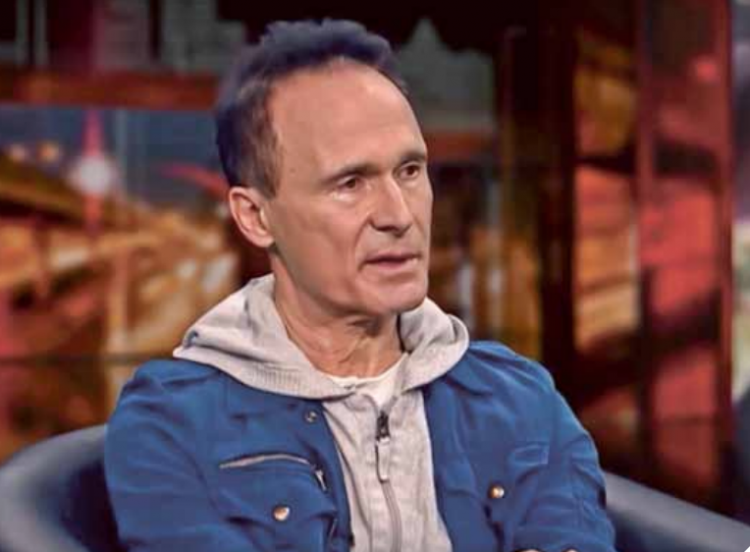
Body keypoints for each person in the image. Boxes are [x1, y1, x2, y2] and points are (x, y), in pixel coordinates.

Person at [104, 19, 617, 552]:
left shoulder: (519, 398)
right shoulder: (173, 424)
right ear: (256, 217)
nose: (399, 215)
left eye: (410, 171)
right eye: (350, 183)